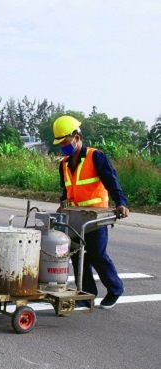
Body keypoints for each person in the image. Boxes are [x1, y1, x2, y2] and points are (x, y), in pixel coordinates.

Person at [53, 115, 129, 309]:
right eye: (60, 143)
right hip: (75, 218)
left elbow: (111, 181)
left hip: (96, 217)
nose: (63, 146)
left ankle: (115, 289)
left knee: (97, 254)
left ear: (77, 137)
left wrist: (121, 202)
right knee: (78, 256)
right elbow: (66, 190)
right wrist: (63, 203)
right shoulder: (63, 164)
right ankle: (87, 295)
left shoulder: (96, 156)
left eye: (66, 142)